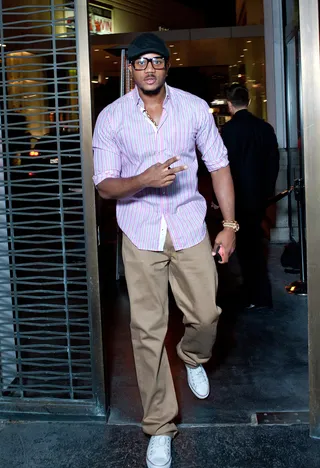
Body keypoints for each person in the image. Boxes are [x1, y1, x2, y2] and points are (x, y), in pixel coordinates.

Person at [93, 32, 238, 468]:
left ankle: (193, 357)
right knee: (147, 331)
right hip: (140, 233)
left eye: (157, 60)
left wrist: (229, 226)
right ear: (131, 69)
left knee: (206, 314)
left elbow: (219, 167)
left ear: (167, 66)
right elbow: (105, 184)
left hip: (190, 226)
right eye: (141, 62)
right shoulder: (112, 118)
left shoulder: (193, 109)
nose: (150, 68)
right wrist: (143, 180)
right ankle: (159, 426)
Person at [221, 84, 280, 309]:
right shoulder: (265, 128)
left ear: (229, 104)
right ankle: (257, 293)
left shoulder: (228, 131)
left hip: (237, 197)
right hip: (259, 196)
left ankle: (255, 295)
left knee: (246, 248)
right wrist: (266, 191)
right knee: (253, 245)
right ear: (249, 101)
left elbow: (225, 168)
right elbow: (273, 163)